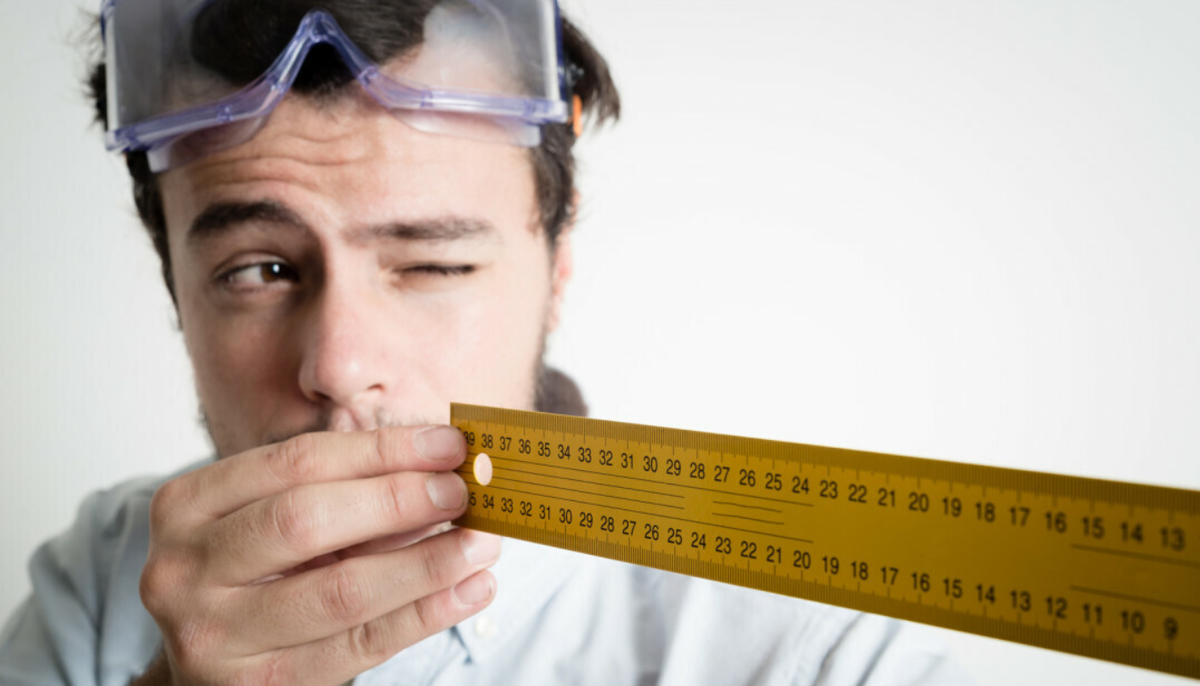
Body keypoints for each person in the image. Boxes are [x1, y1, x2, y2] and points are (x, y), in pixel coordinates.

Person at [1, 1, 969, 684]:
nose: (339, 368)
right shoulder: (99, 586)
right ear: (172, 279)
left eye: (432, 264)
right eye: (260, 270)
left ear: (557, 263)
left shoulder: (821, 653)